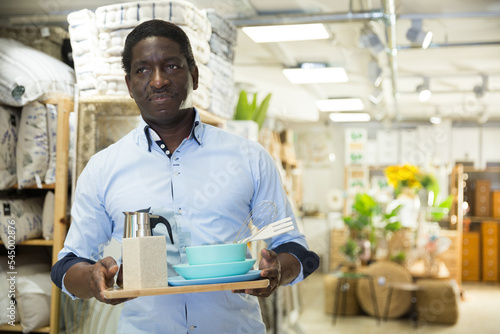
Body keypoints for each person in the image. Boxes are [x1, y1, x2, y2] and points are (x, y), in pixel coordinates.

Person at [51, 19, 319, 333]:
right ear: (129, 84)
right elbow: (67, 264)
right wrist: (92, 278)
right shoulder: (103, 169)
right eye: (143, 70)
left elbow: (296, 250)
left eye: (172, 66)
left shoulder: (249, 158)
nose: (159, 80)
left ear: (194, 75)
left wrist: (278, 270)